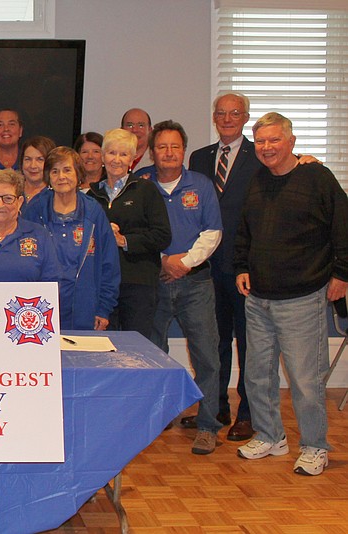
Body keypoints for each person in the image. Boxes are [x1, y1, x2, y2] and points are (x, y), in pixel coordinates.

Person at [235, 112, 348, 476]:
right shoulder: (257, 181)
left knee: (304, 380)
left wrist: (342, 275)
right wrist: (241, 266)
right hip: (259, 298)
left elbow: (343, 228)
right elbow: (245, 231)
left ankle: (315, 446)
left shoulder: (317, 177)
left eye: (274, 140)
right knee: (257, 375)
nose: (267, 148)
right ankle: (271, 436)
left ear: (291, 141)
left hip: (303, 297)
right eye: (261, 142)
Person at [141, 120, 224, 455]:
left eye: (175, 146)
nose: (169, 153)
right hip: (154, 282)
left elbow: (213, 232)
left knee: (207, 356)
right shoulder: (141, 184)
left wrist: (183, 262)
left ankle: (207, 426)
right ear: (152, 152)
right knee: (150, 355)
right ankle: (152, 421)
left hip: (196, 282)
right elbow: (136, 231)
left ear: (184, 151)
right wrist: (163, 260)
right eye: (162, 147)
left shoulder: (201, 186)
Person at [187, 92, 261, 441]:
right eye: (221, 113)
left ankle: (247, 414)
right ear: (214, 117)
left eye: (235, 113)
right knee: (211, 342)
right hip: (207, 268)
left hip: (246, 267)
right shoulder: (199, 158)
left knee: (249, 343)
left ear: (245, 117)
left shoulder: (259, 156)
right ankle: (215, 407)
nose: (227, 119)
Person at [23, 147, 120, 330]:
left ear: (78, 174)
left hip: (85, 307)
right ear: (48, 177)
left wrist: (103, 309)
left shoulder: (93, 213)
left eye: (67, 170)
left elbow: (109, 264)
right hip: (39, 307)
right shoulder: (35, 211)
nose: (61, 177)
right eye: (55, 171)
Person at [88, 129, 171, 339]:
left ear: (132, 159)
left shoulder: (146, 190)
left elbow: (162, 236)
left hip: (138, 283)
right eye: (112, 153)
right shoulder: (91, 195)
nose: (117, 159)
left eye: (123, 154)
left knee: (137, 349)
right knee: (103, 347)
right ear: (103, 156)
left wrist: (124, 240)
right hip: (102, 285)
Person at [19, 136, 56, 203]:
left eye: (40, 159)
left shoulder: (56, 195)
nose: (33, 166)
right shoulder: (12, 190)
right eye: (28, 159)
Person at [121, 108, 153, 172]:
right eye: (129, 125)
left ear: (150, 130)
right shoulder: (112, 160)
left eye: (141, 125)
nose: (135, 130)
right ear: (122, 130)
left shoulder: (157, 161)